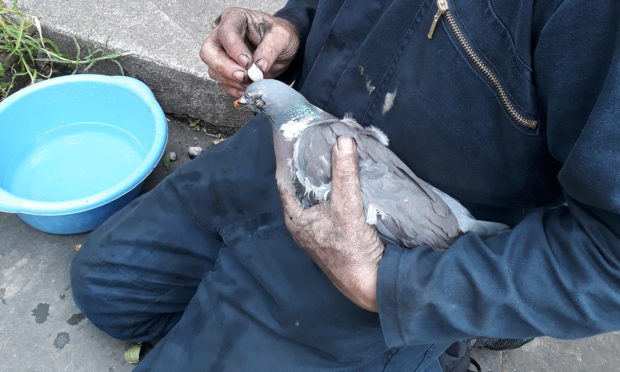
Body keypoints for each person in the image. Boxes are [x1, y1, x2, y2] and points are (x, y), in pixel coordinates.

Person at [71, 1, 620, 371]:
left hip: (393, 250)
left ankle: (446, 336)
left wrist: (392, 286)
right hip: (289, 155)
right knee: (109, 289)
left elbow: (610, 264)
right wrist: (292, 29)